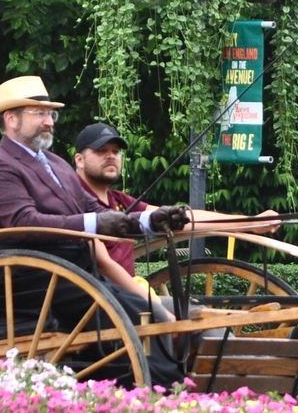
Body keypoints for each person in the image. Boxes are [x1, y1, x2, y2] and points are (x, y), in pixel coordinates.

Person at [0, 76, 190, 386]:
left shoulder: (56, 164)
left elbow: (94, 210)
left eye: (51, 114)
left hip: (68, 273)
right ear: (11, 119)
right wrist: (96, 224)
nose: (49, 122)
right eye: (39, 113)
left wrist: (151, 221)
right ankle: (156, 389)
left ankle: (153, 385)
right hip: (26, 277)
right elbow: (24, 222)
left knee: (142, 308)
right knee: (131, 314)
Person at [71, 120, 281, 295]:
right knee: (190, 319)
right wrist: (152, 305)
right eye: (101, 151)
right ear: (79, 160)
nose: (110, 156)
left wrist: (249, 222)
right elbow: (102, 263)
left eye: (116, 151)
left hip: (127, 298)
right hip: (101, 301)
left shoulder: (119, 200)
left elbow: (182, 219)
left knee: (203, 318)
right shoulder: (72, 200)